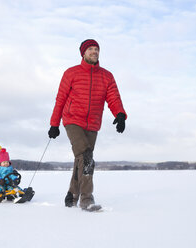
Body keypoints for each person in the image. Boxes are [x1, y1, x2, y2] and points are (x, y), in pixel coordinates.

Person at [48, 39, 127, 211]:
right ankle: (86, 199)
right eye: (90, 49)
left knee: (81, 160)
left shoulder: (107, 76)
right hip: (72, 120)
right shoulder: (71, 73)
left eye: (96, 49)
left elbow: (113, 97)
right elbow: (60, 99)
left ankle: (72, 194)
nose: (94, 52)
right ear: (83, 53)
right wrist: (54, 124)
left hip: (93, 123)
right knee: (86, 157)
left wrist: (120, 114)